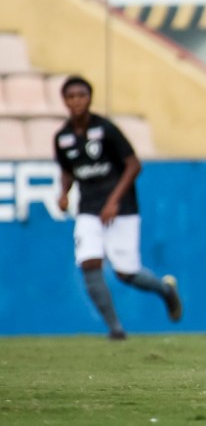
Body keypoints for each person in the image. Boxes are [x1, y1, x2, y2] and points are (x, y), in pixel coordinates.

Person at [54, 75, 182, 340]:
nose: (77, 101)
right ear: (64, 101)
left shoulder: (106, 129)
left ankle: (166, 291)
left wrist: (113, 201)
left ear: (90, 98)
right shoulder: (63, 138)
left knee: (126, 273)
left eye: (81, 95)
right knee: (89, 262)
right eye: (71, 96)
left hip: (122, 208)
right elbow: (68, 170)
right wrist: (64, 192)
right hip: (88, 209)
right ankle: (116, 329)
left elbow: (133, 164)